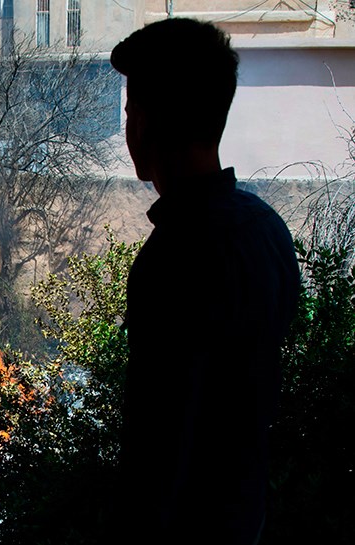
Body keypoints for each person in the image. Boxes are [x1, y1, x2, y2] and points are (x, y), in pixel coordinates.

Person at [110, 18, 300, 545]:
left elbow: (158, 444)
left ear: (144, 122)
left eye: (130, 113)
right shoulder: (267, 230)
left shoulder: (176, 257)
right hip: (245, 518)